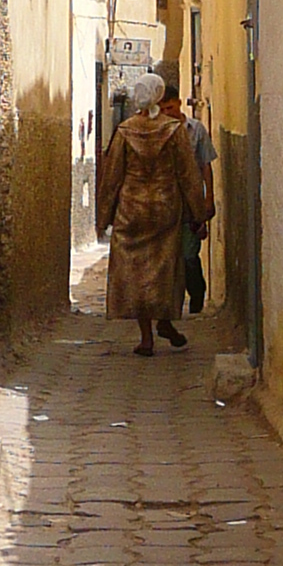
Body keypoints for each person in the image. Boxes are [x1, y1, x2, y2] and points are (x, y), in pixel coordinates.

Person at [96, 71, 207, 357]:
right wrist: (199, 213)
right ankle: (166, 321)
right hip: (165, 209)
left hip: (131, 210)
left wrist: (104, 216)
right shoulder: (173, 129)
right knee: (164, 270)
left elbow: (112, 177)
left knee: (135, 272)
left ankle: (146, 337)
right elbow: (188, 175)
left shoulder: (125, 131)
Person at [172, 88, 215, 313]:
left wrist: (209, 198)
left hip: (192, 203)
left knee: (189, 255)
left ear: (178, 104)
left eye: (170, 107)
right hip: (168, 204)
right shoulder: (160, 131)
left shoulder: (196, 130)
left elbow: (206, 165)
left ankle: (197, 294)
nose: (167, 112)